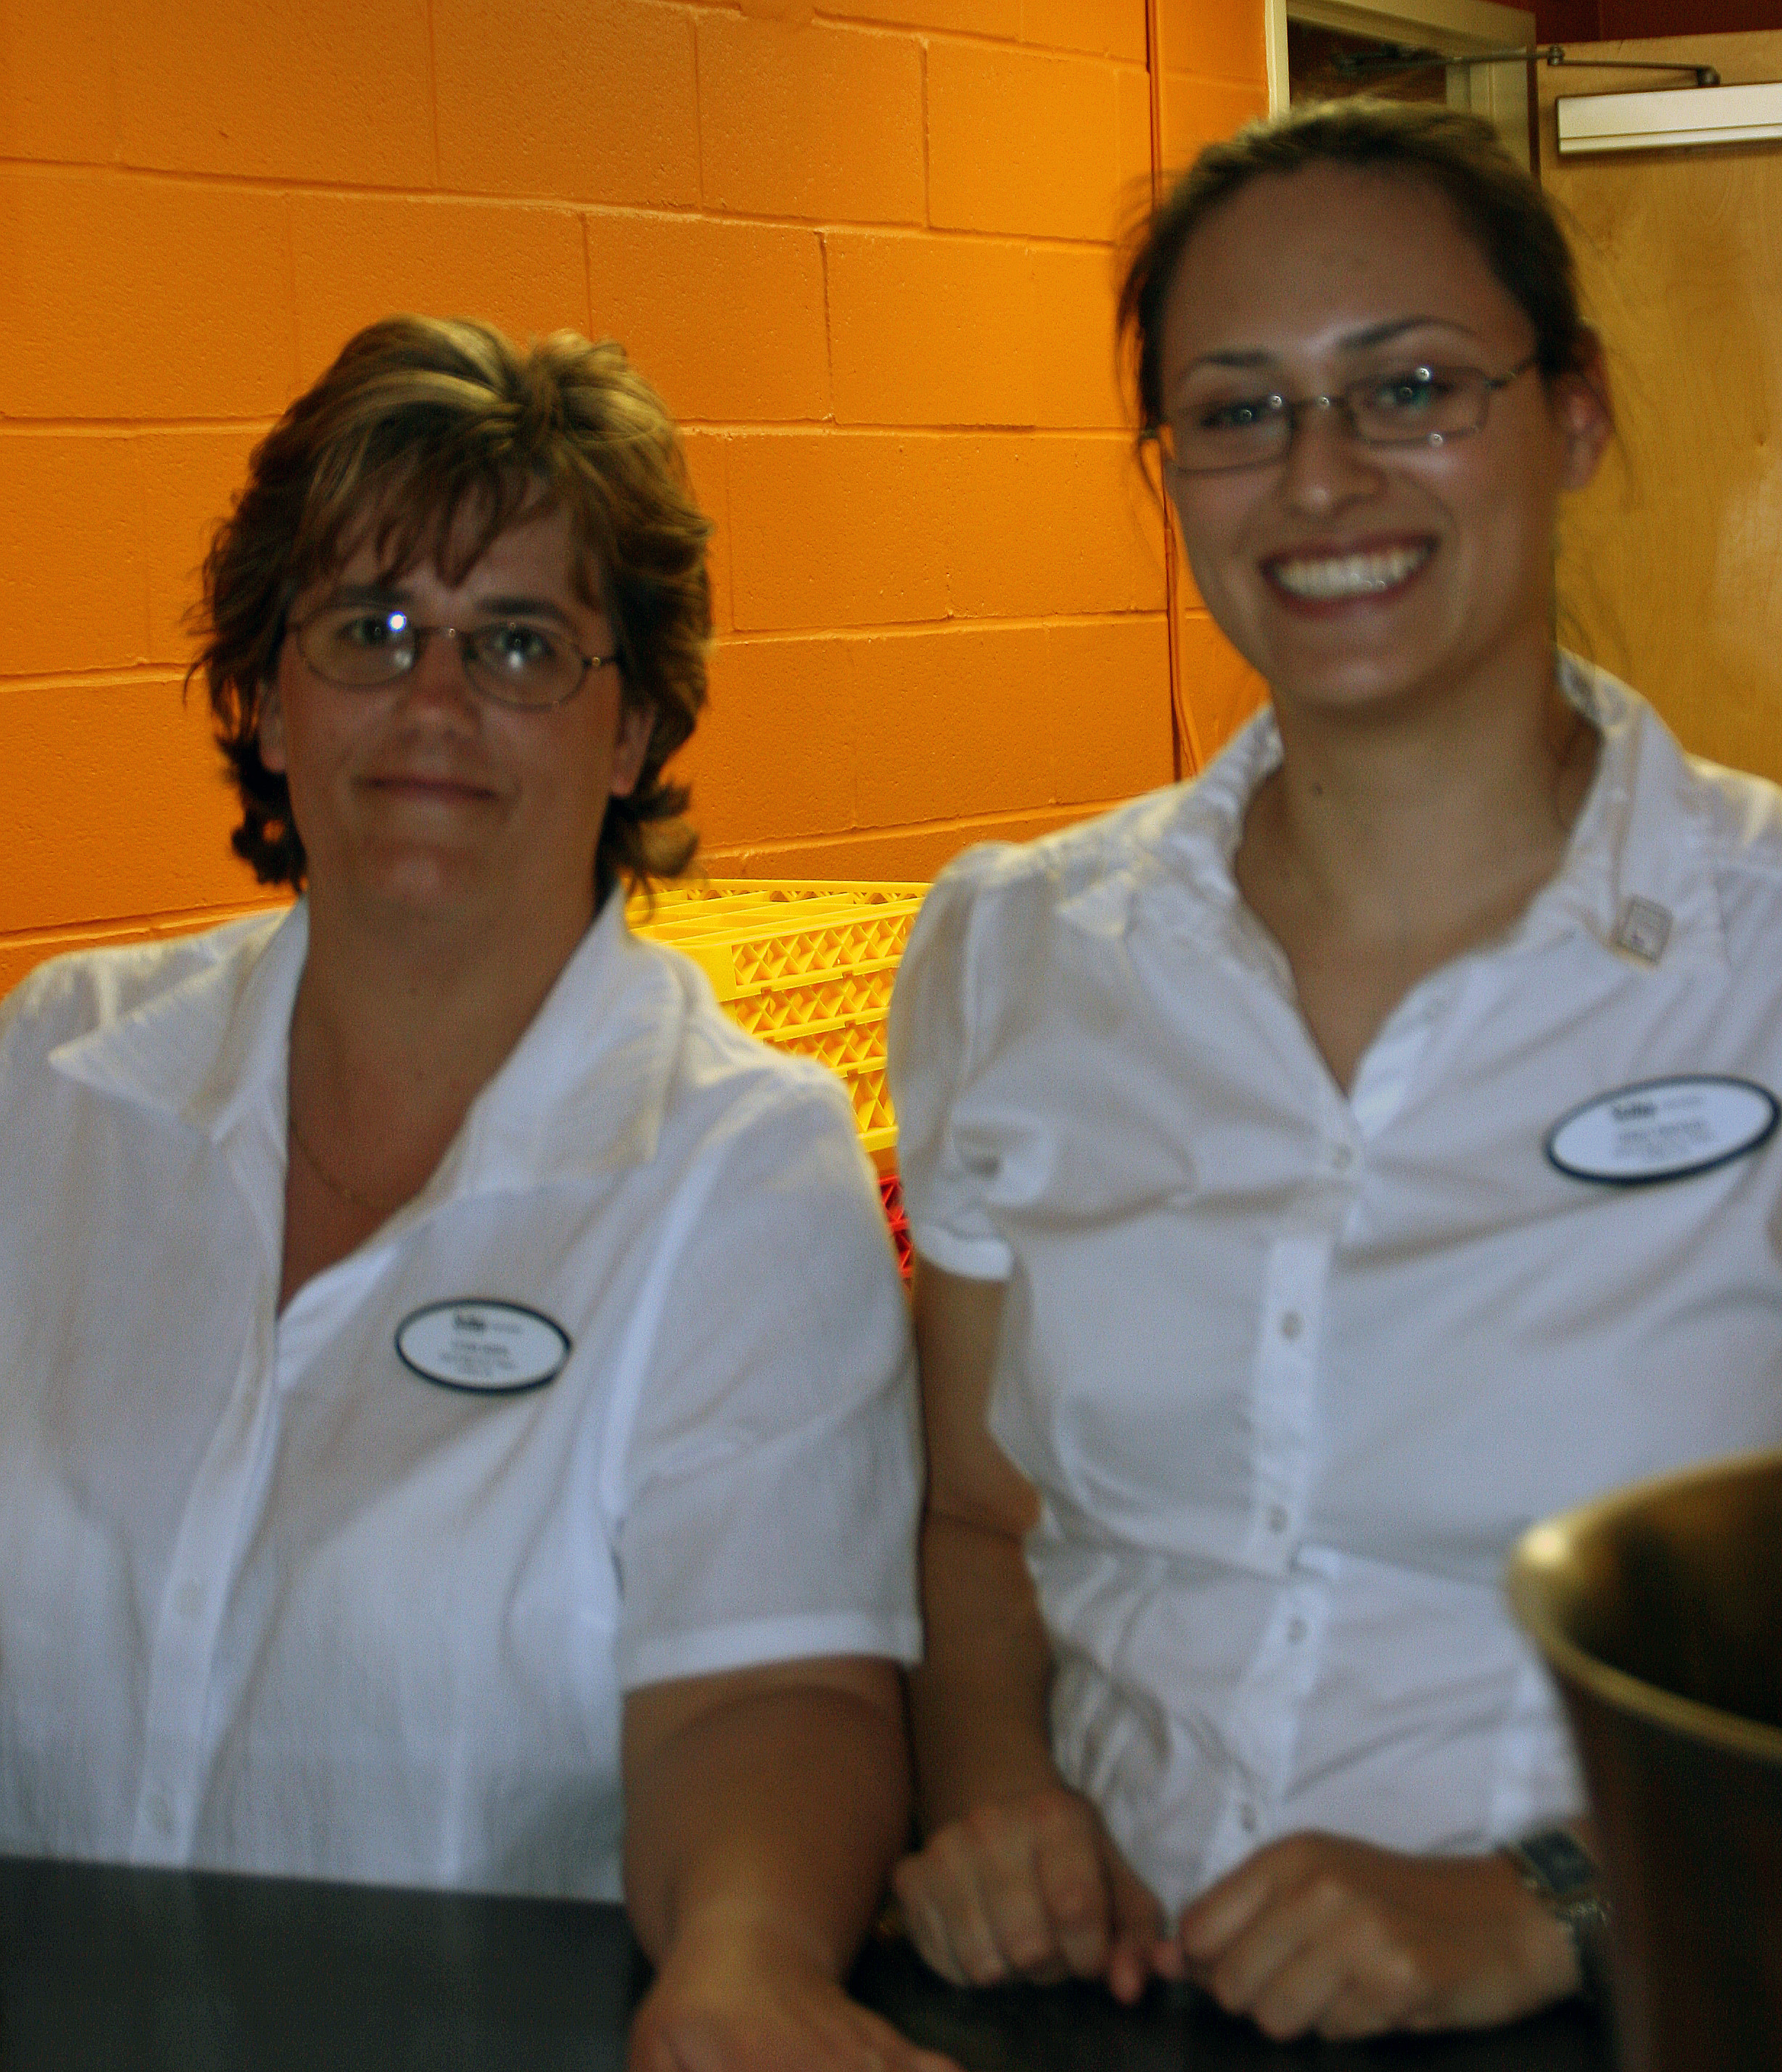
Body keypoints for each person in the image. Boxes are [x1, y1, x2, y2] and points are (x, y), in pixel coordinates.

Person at [884, 98, 1782, 2043]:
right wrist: (1004, 1803)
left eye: (1413, 388)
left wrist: (1555, 1901)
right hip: (1114, 2003)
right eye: (1238, 410)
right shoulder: (1018, 952)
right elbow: (976, 1522)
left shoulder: (1759, 958)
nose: (1321, 474)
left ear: (1576, 418)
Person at [0, 315, 955, 2072]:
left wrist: (745, 1958)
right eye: (369, 630)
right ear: (263, 693)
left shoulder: (735, 1169)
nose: (433, 703)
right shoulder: (56, 1079)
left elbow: (769, 1691)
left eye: (518, 644)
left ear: (633, 723)